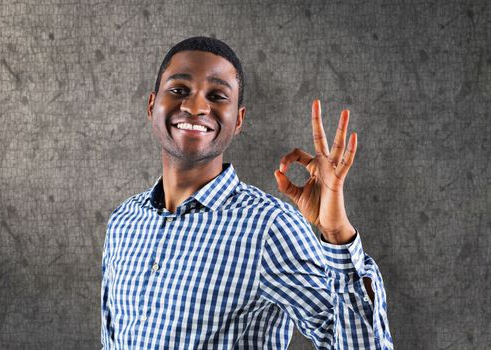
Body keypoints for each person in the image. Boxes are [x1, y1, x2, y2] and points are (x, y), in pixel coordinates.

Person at [101, 36, 393, 349]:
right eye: (179, 90)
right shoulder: (124, 222)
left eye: (216, 95)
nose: (196, 106)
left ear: (238, 120)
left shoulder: (270, 228)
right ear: (151, 105)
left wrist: (336, 234)